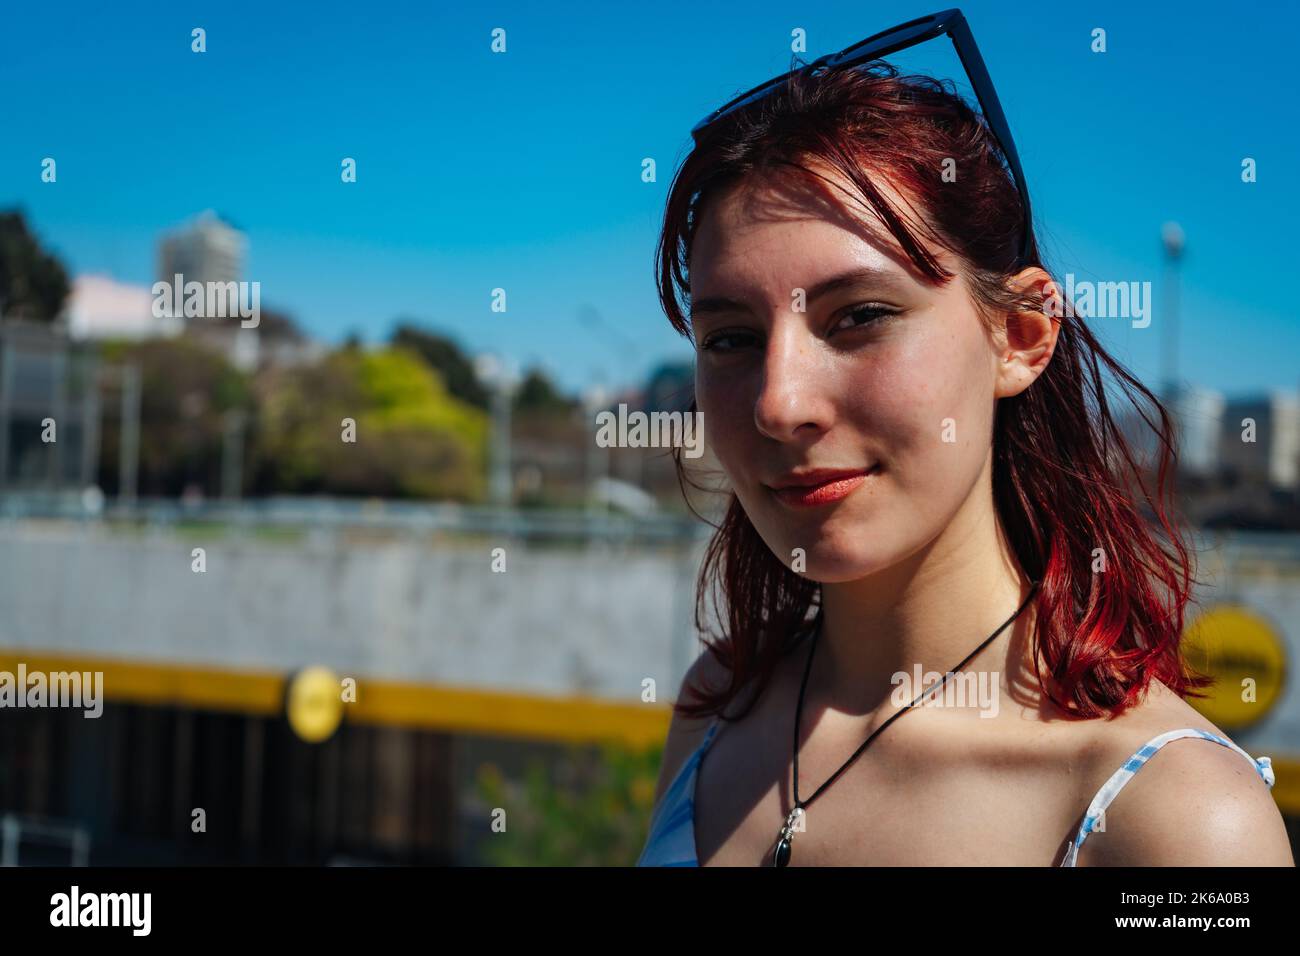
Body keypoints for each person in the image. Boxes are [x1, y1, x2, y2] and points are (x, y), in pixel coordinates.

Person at [637, 55, 1292, 867]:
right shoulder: (718, 703)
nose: (779, 402)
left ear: (1019, 337)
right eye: (730, 338)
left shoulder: (1178, 822)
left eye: (860, 317)